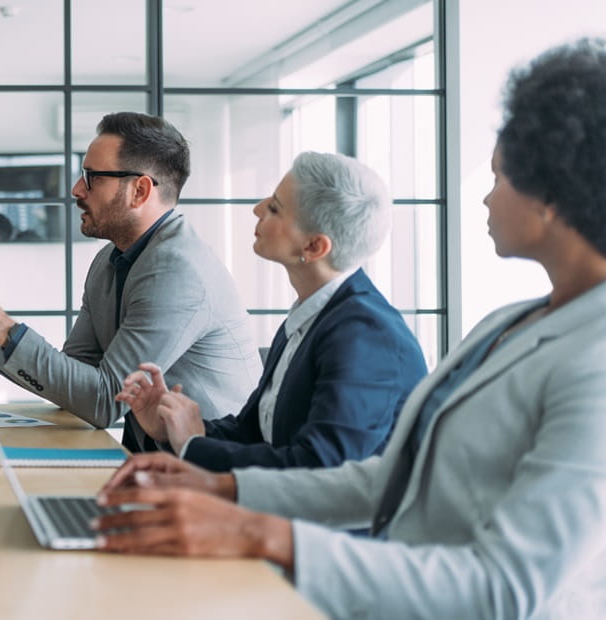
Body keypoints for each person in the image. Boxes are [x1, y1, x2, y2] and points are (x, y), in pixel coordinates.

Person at [93, 39, 606, 619]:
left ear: (553, 194)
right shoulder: (508, 322)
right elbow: (386, 479)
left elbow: (504, 590)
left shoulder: (594, 364)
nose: (486, 195)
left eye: (500, 176)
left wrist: (257, 532)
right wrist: (217, 488)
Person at [0, 112, 261, 452]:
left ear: (139, 190)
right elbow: (76, 381)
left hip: (210, 471)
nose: (77, 189)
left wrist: (4, 331)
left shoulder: (177, 271)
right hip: (153, 464)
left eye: (92, 177)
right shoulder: (110, 260)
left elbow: (104, 401)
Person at [115, 152, 426, 471]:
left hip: (328, 520)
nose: (257, 209)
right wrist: (172, 428)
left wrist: (194, 446)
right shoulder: (313, 314)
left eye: (275, 207)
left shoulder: (364, 335)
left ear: (314, 247)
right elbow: (252, 434)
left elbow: (318, 467)